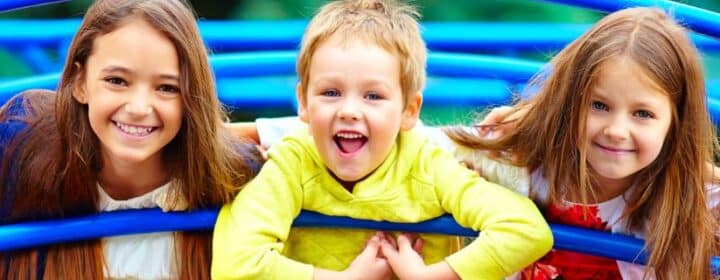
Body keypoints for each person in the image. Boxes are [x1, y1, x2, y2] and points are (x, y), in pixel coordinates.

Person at [211, 0, 553, 279]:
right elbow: (233, 264)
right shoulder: (291, 164)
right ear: (303, 102)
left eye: (373, 96)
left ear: (409, 110)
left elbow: (526, 229)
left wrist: (432, 277)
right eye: (331, 92)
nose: (349, 110)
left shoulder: (428, 165)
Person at [443, 7, 720, 279]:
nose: (616, 130)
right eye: (599, 105)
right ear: (570, 102)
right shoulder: (521, 159)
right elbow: (418, 153)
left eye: (642, 114)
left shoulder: (693, 201)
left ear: (675, 124)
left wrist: (695, 170)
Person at [0, 0, 261, 279]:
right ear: (79, 82)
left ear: (190, 99)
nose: (139, 108)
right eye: (117, 81)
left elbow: (308, 134)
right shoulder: (25, 147)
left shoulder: (230, 178)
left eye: (167, 88)